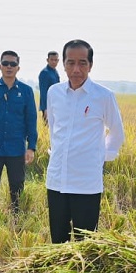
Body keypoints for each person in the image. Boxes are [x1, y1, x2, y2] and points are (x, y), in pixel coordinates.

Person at [44, 39, 125, 243]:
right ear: (63, 64)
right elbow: (54, 129)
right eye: (71, 63)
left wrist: (99, 158)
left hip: (86, 182)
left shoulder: (103, 96)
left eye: (82, 63)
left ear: (91, 65)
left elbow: (116, 132)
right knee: (58, 242)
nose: (76, 69)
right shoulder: (54, 93)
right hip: (57, 179)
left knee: (85, 243)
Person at [0, 50, 38, 215]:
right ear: (0, 66)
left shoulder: (26, 91)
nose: (9, 67)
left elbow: (31, 120)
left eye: (13, 64)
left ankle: (17, 220)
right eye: (5, 63)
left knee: (17, 187)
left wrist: (31, 147)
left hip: (16, 148)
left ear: (18, 68)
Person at [38, 51, 60, 125]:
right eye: (52, 60)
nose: (54, 62)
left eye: (55, 60)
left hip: (56, 104)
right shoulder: (45, 73)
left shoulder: (55, 72)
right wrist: (45, 109)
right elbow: (43, 92)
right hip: (48, 106)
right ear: (47, 60)